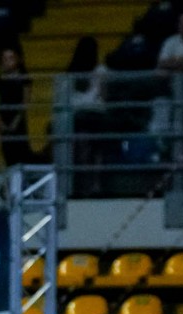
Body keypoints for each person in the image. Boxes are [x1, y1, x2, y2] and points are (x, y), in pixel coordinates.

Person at [65, 37, 112, 196]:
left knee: (84, 150)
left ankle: (83, 186)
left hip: (80, 116)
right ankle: (95, 185)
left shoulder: (70, 71)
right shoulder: (101, 70)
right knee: (96, 151)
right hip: (93, 115)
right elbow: (104, 96)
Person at [0, 48, 32, 166]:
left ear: (18, 59)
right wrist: (0, 122)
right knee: (7, 152)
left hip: (18, 120)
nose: (8, 61)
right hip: (3, 121)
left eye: (11, 58)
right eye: (5, 58)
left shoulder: (24, 78)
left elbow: (25, 100)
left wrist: (16, 121)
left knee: (21, 151)